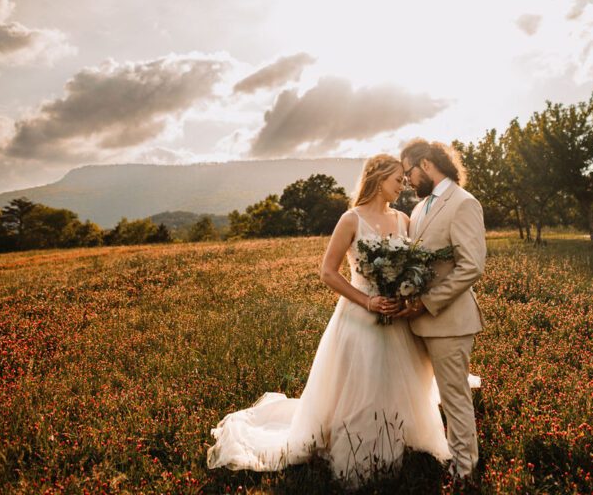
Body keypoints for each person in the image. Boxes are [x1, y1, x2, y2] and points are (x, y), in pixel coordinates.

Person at [207, 154, 451, 486]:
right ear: (379, 179)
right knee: (361, 381)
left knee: (397, 380)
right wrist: (367, 300)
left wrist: (404, 295)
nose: (402, 185)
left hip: (394, 316)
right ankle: (358, 447)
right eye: (397, 179)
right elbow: (327, 272)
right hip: (358, 315)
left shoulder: (403, 220)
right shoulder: (351, 219)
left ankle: (398, 439)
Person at [396, 139, 487, 481]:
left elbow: (471, 266)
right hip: (417, 323)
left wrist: (426, 302)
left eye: (409, 172)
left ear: (427, 164)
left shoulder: (463, 204)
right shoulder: (419, 210)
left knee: (454, 397)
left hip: (449, 321)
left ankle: (464, 471)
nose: (406, 181)